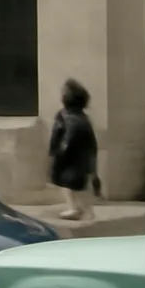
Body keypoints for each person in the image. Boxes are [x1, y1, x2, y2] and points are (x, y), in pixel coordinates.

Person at [48, 78, 101, 221]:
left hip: (71, 157)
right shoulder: (83, 118)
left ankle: (76, 209)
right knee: (76, 185)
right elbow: (91, 141)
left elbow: (64, 137)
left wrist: (59, 152)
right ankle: (80, 209)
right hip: (81, 157)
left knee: (71, 184)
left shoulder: (67, 117)